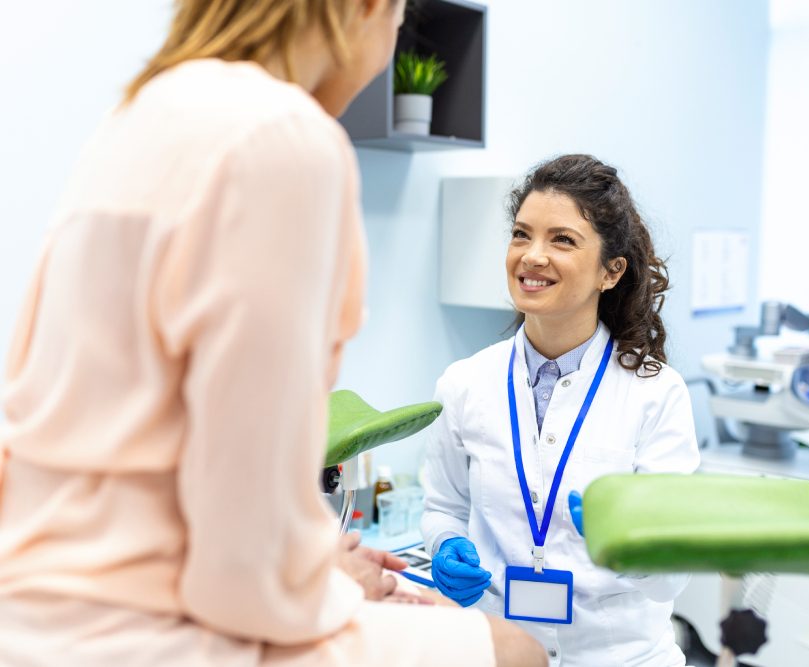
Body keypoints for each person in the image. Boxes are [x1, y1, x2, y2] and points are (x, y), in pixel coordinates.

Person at [0, 1, 546, 666]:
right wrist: (327, 580)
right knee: (517, 650)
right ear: (368, 8)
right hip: (142, 626)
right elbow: (242, 564)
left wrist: (312, 558)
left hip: (34, 596)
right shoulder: (283, 138)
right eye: (399, 18)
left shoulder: (134, 119)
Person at [421, 154, 701, 666]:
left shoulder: (656, 394)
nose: (532, 256)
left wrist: (625, 543)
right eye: (521, 235)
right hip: (500, 651)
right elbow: (444, 507)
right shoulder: (464, 384)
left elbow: (672, 576)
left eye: (562, 240)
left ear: (611, 272)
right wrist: (444, 544)